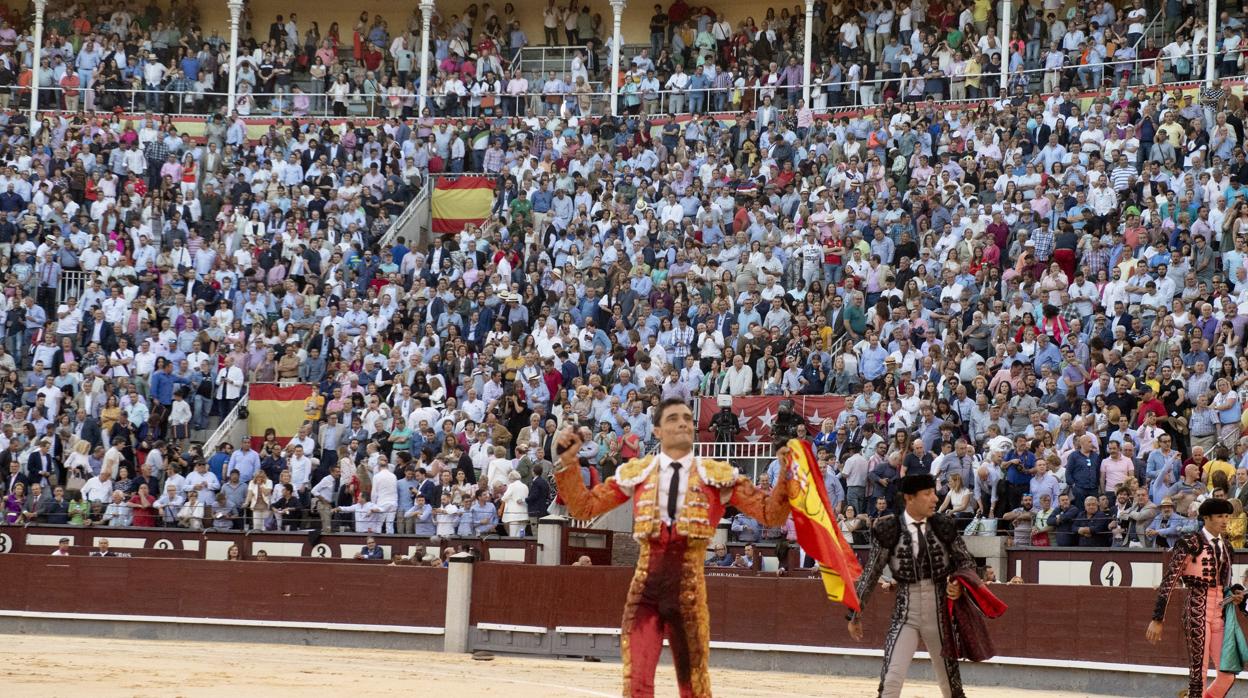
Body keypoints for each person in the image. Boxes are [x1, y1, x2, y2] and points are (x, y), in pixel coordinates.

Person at [554, 398, 793, 697]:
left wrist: (785, 473)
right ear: (656, 430)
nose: (682, 423)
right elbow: (584, 507)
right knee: (636, 684)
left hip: (689, 595)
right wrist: (568, 464)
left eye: (687, 418)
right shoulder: (637, 473)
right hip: (644, 594)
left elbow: (772, 514)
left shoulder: (718, 476)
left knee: (694, 687)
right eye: (673, 419)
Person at [848, 473, 978, 698]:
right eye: (927, 494)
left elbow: (967, 561)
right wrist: (854, 612)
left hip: (939, 615)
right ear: (909, 498)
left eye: (934, 493)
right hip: (904, 615)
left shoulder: (943, 525)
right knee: (890, 682)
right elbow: (871, 572)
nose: (935, 499)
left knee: (951, 686)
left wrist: (959, 582)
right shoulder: (888, 529)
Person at [1148, 498, 1239, 698]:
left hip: (1220, 612)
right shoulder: (1190, 543)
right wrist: (1157, 618)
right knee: (1199, 673)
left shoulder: (1228, 547)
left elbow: (1227, 584)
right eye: (1219, 517)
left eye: (1226, 516)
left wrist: (1237, 594)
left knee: (1228, 673)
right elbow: (1169, 580)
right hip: (1197, 609)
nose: (1224, 521)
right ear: (1206, 518)